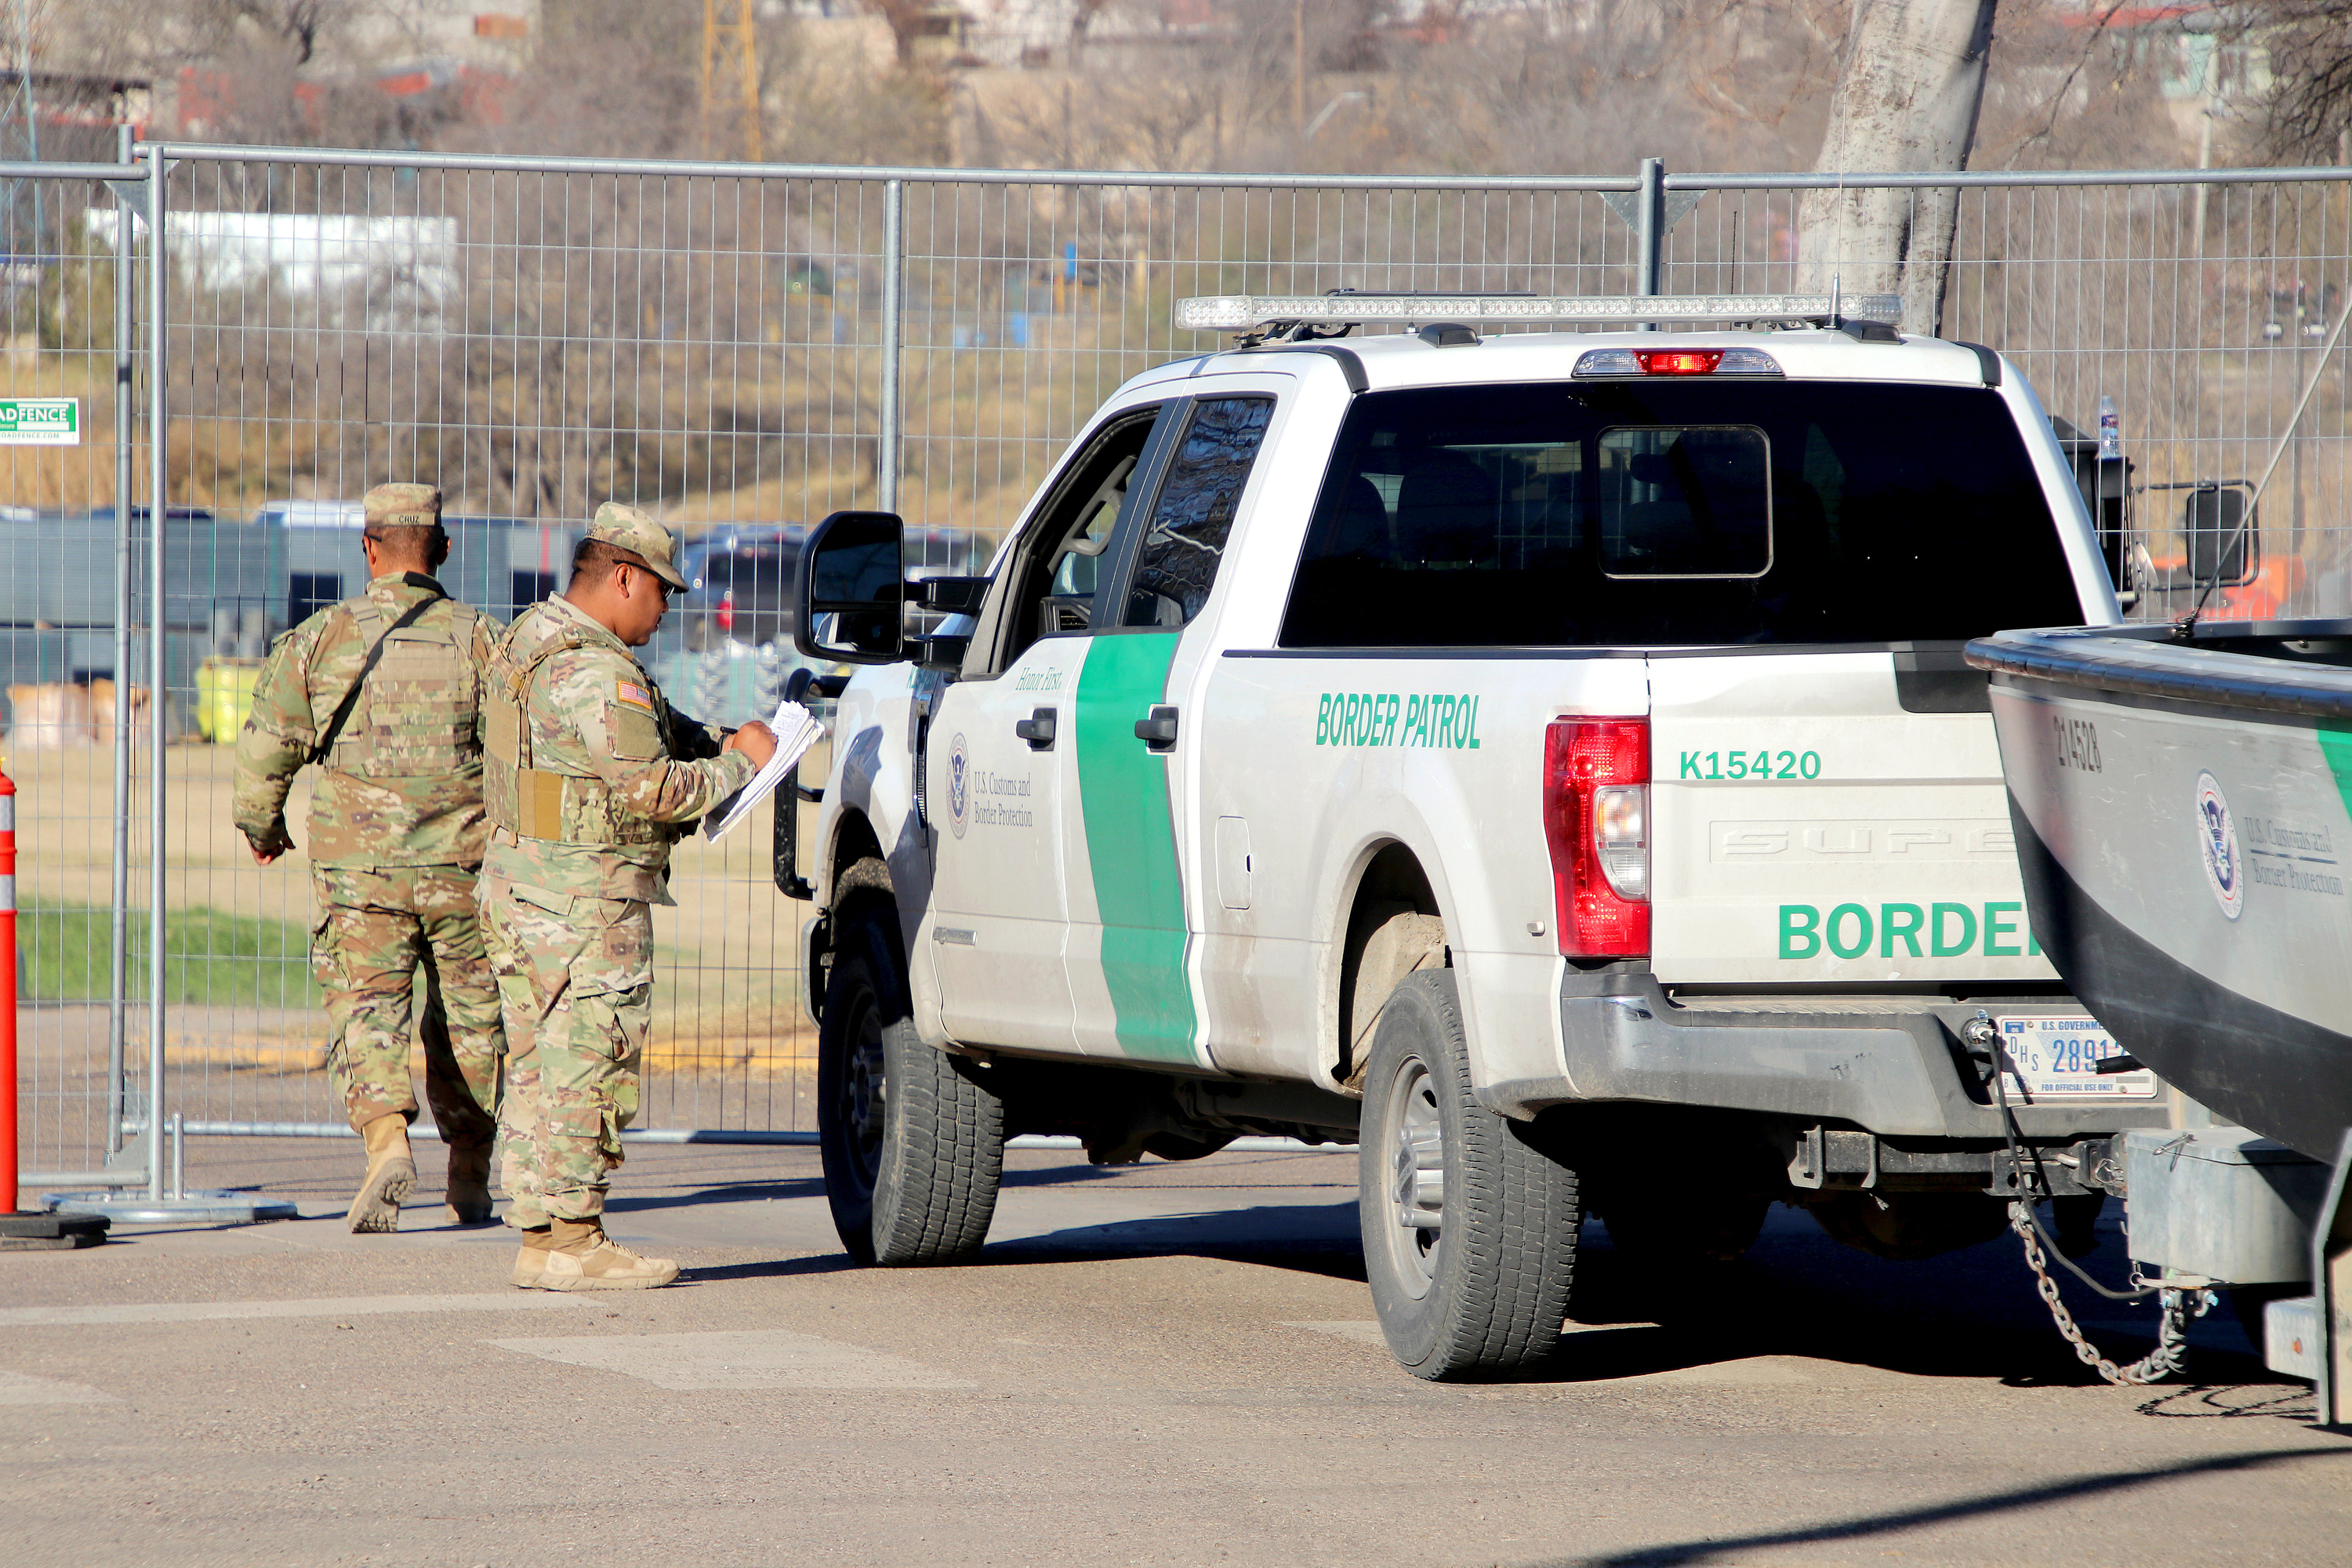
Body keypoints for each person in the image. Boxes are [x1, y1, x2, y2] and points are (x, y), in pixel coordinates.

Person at [482, 502, 776, 1290]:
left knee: (538, 1066)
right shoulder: (599, 668)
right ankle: (578, 1241)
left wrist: (715, 737)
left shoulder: (530, 639)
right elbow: (653, 787)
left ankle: (541, 1235)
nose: (668, 606)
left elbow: (638, 729)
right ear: (622, 576)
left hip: (519, 887)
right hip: (584, 900)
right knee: (589, 1059)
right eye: (663, 590)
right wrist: (743, 767)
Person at [232, 482, 504, 1232]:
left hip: (362, 876)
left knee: (368, 1008)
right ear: (443, 551)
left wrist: (263, 828)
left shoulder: (322, 638)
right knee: (472, 1020)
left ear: (368, 548)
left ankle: (387, 1144)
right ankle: (470, 1176)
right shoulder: (483, 640)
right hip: (465, 871)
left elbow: (265, 750)